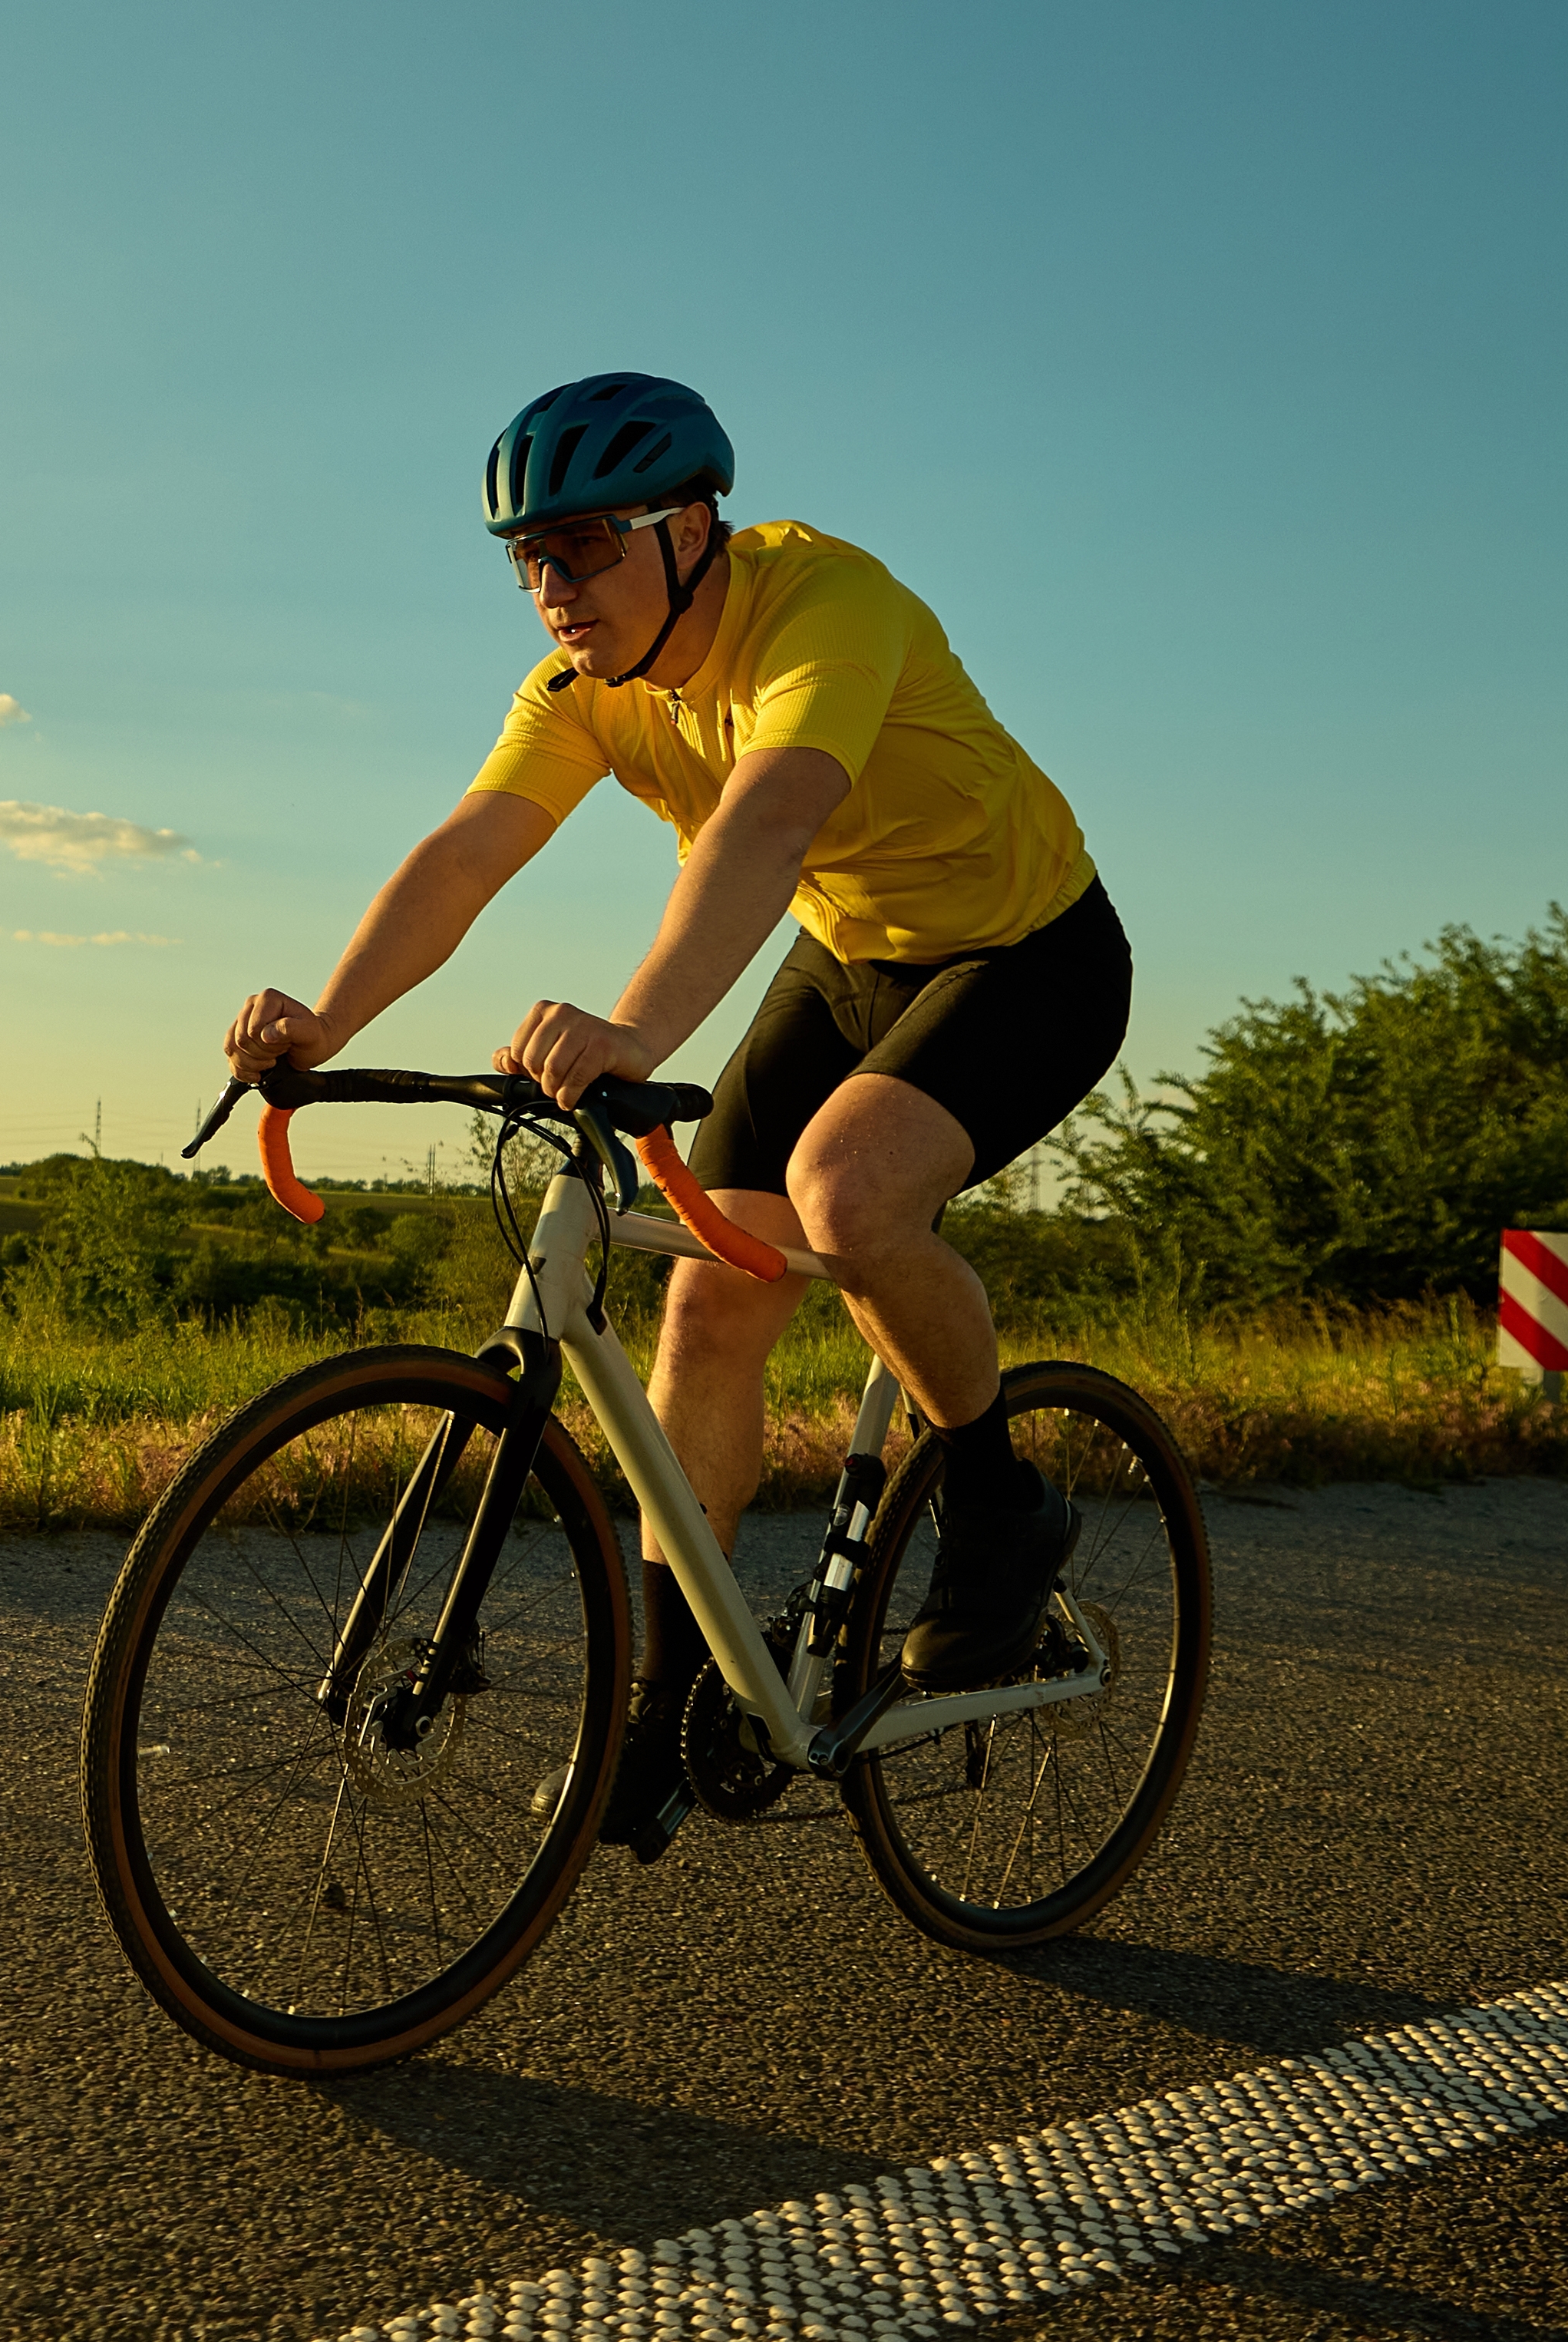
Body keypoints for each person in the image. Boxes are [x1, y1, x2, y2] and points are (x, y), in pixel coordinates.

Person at [216, 372, 1136, 1803]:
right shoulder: (587, 693)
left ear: (688, 527)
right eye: (526, 558)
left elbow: (768, 823)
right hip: (849, 957)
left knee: (848, 1194)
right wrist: (326, 1019)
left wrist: (635, 1027)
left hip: (1028, 954)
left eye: (582, 545)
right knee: (711, 1296)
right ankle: (669, 1700)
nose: (550, 585)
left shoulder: (825, 606)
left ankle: (1001, 1503)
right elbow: (469, 851)